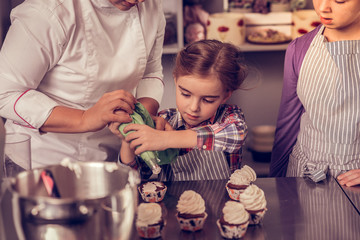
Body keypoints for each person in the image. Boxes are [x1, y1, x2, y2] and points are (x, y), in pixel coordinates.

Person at [0, 0, 166, 168]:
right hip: (43, 161)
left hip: (116, 158)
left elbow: (150, 72)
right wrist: (84, 119)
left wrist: (142, 117)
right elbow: (6, 94)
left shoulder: (151, 6)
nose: (136, 1)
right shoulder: (46, 12)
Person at [110, 39, 249, 181]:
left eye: (208, 100)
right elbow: (136, 177)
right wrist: (128, 140)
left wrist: (165, 139)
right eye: (186, 94)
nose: (194, 107)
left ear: (226, 95)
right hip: (175, 202)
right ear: (176, 80)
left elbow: (236, 136)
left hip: (224, 202)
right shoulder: (164, 121)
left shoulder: (230, 118)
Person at [270, 0, 360, 186]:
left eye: (340, 0)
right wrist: (277, 184)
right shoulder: (299, 49)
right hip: (302, 173)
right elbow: (287, 125)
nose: (322, 8)